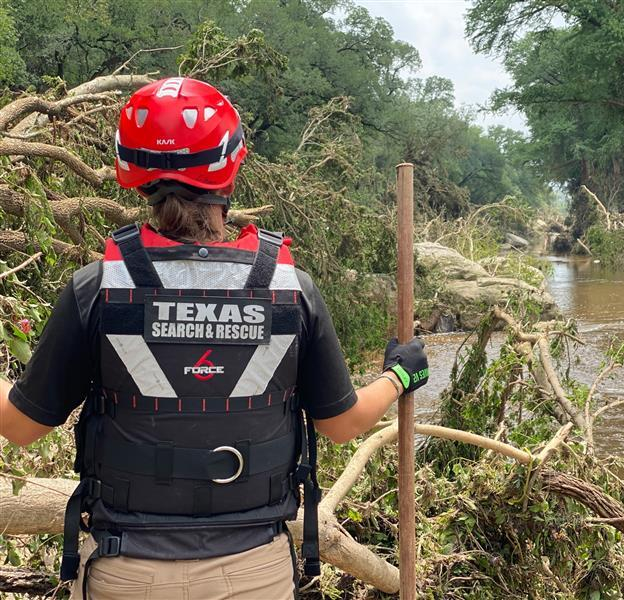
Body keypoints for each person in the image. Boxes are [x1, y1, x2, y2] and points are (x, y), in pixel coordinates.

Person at [0, 77, 429, 600]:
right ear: (231, 168)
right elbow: (342, 425)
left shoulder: (97, 288)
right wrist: (399, 375)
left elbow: (21, 426)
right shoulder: (290, 289)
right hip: (254, 574)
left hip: (125, 572)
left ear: (133, 174)